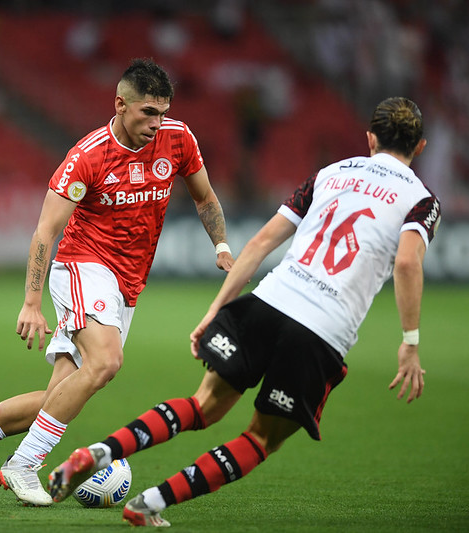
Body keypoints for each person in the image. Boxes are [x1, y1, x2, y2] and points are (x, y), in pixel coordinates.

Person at [47, 96, 441, 527]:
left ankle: (99, 452)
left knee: (201, 406)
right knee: (259, 439)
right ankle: (150, 503)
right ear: (419, 147)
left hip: (267, 302)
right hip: (321, 330)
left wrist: (216, 311)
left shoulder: (331, 173)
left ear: (369, 138)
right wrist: (410, 342)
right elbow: (407, 262)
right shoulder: (421, 199)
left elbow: (257, 245)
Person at [0, 58, 235, 506]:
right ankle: (23, 465)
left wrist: (220, 244)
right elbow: (46, 229)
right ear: (120, 104)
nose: (157, 123)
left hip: (126, 283)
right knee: (105, 363)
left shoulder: (178, 140)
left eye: (162, 112)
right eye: (148, 112)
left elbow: (205, 197)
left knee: (56, 396)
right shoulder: (88, 156)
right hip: (83, 266)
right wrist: (31, 302)